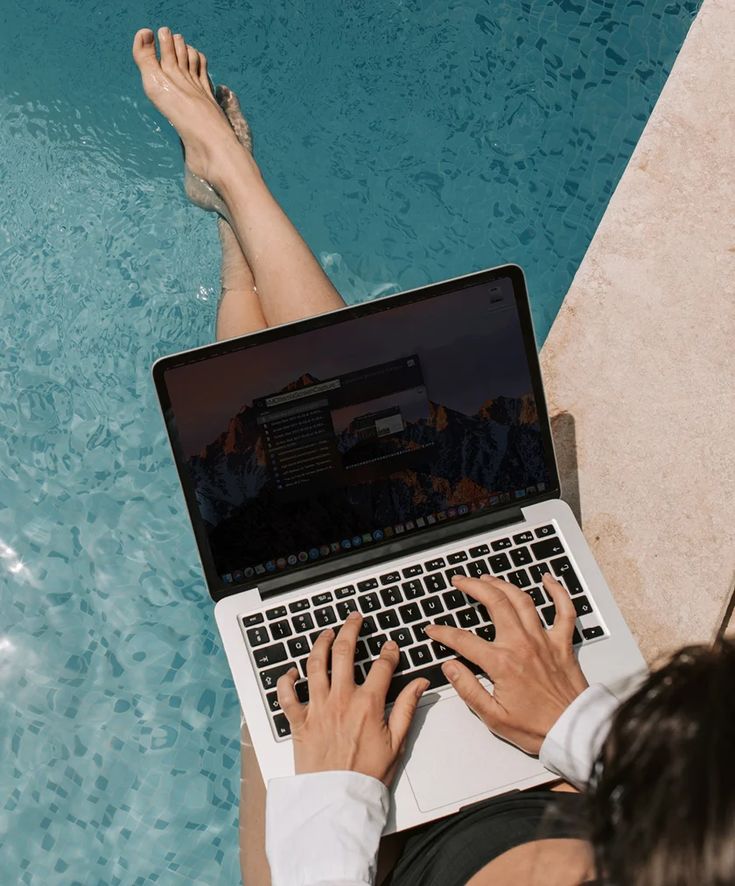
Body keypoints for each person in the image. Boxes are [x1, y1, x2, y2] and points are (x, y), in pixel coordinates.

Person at [132, 29, 735, 886]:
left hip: (365, 862)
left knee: (294, 572)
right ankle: (234, 201)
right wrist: (575, 721)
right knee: (397, 496)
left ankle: (236, 213)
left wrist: (334, 798)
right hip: (557, 798)